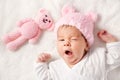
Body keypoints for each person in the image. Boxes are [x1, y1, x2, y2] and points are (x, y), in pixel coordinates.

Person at [34, 5, 120, 80]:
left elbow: (116, 58)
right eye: (61, 40)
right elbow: (44, 77)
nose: (66, 43)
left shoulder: (96, 57)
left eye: (73, 39)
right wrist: (40, 63)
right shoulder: (56, 68)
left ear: (86, 44)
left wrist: (111, 41)